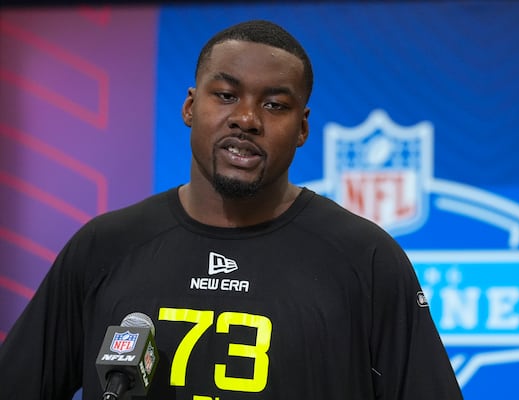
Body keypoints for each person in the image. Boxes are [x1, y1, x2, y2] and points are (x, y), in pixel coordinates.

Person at [0, 20, 463, 400]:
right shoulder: (104, 246)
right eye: (226, 95)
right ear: (189, 106)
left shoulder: (365, 259)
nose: (247, 119)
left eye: (275, 104)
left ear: (302, 128)